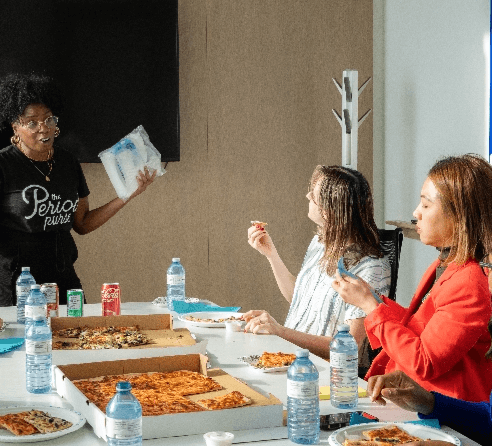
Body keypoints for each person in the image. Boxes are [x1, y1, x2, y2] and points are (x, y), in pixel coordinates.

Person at [333, 154, 492, 403]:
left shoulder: (469, 284)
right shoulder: (446, 264)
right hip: (411, 397)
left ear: (458, 216)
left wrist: (370, 307)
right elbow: (423, 325)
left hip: (446, 414)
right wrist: (373, 298)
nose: (416, 212)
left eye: (426, 205)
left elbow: (424, 362)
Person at [0, 73, 156, 306]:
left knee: (76, 338)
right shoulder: (4, 165)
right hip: (18, 284)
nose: (43, 128)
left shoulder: (67, 163)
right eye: (32, 122)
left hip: (63, 279)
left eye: (49, 119)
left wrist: (126, 196)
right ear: (15, 127)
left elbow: (81, 223)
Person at [243, 165, 391, 369]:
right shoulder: (320, 243)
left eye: (312, 196)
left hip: (319, 372)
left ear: (328, 211)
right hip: (286, 357)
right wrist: (271, 255)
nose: (306, 196)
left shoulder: (371, 268)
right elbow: (300, 298)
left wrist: (280, 331)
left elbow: (351, 347)